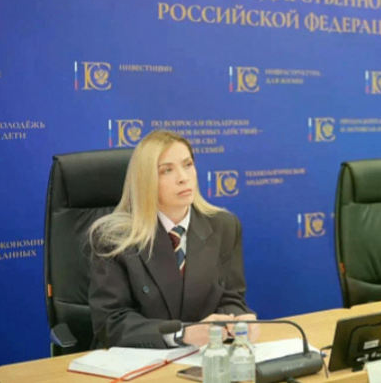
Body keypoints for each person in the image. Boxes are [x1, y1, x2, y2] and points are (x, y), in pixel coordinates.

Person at [88, 130, 256, 348]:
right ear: (145, 180)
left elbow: (230, 298)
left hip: (204, 355)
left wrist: (237, 321)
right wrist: (181, 334)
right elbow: (111, 322)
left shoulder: (224, 226)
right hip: (139, 357)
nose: (183, 178)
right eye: (167, 170)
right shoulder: (114, 238)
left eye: (187, 165)